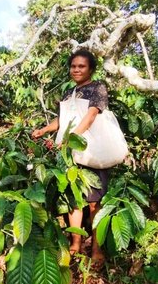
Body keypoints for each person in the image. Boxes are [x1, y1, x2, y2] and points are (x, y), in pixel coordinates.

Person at [32, 49, 109, 264]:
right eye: (73, 66)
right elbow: (62, 120)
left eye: (81, 66)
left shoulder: (98, 88)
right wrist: (45, 130)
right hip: (70, 154)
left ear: (91, 69)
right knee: (74, 200)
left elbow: (91, 115)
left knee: (94, 203)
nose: (76, 70)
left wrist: (71, 138)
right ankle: (76, 243)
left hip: (92, 151)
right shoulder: (69, 93)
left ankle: (96, 247)